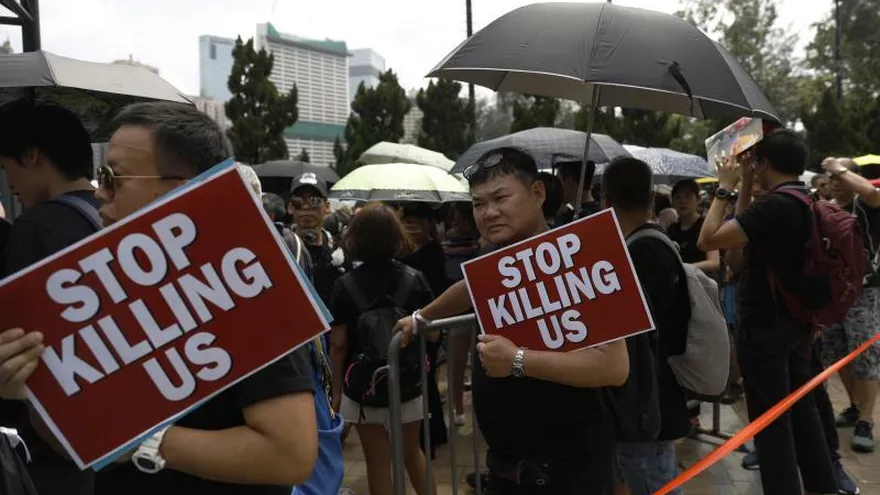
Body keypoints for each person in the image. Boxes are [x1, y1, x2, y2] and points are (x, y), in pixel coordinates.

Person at [1, 101, 321, 494]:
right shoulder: (97, 289)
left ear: (181, 190)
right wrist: (37, 392)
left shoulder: (245, 286)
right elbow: (77, 444)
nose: (99, 193)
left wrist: (142, 442)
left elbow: (290, 453)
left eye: (113, 176)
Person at [396, 147, 628, 495]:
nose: (489, 213)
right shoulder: (496, 256)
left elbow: (613, 366)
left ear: (537, 193)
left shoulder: (582, 253)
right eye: (477, 204)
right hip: (506, 467)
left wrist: (518, 360)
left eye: (501, 197)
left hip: (569, 469)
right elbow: (470, 284)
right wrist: (421, 317)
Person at [697, 129, 837, 495]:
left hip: (765, 329)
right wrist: (744, 183)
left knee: (771, 425)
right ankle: (824, 487)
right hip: (794, 324)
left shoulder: (775, 206)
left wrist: (723, 188)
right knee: (803, 415)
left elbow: (708, 239)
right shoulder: (801, 199)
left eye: (755, 162)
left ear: (766, 163)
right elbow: (741, 249)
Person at [0, 98, 99, 495]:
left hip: (49, 448)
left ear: (32, 155)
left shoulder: (36, 228)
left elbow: (18, 344)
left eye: (7, 168)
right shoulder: (116, 218)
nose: (9, 184)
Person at [328, 204, 436, 495]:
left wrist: (336, 392)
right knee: (413, 453)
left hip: (362, 388)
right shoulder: (416, 279)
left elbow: (338, 345)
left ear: (355, 239)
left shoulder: (343, 286)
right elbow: (435, 334)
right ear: (396, 237)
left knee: (377, 462)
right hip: (409, 382)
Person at [602, 157, 690, 495]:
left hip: (644, 402)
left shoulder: (638, 254)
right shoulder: (653, 245)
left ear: (605, 201)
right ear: (652, 198)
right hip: (652, 394)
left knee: (654, 482)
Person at [820, 157, 880, 452]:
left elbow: (871, 192)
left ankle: (866, 421)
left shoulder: (866, 206)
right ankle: (855, 406)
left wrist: (839, 167)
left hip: (864, 293)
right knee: (838, 352)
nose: (832, 180)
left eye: (838, 176)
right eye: (828, 176)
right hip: (832, 296)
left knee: (865, 356)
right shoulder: (825, 210)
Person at [288, 173, 348, 306]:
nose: (306, 207)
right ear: (290, 207)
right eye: (298, 202)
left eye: (314, 201)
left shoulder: (339, 249)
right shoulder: (280, 244)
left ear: (327, 207)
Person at [555, 160, 600, 225]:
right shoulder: (601, 213)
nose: (556, 187)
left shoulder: (571, 221)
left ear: (570, 182)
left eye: (559, 181)